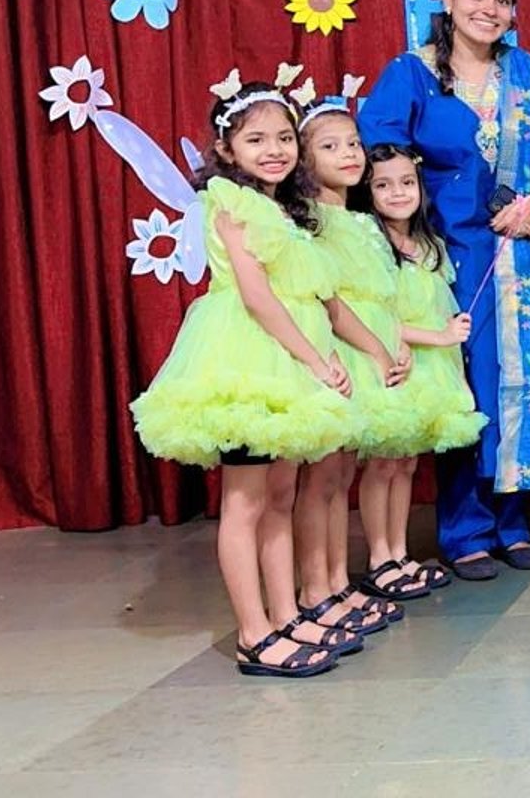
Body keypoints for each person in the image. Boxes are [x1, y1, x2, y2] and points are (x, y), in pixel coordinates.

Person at [358, 0, 530, 581]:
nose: (490, 10)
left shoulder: (527, 73)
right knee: (467, 383)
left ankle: (512, 523)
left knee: (522, 383)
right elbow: (377, 160)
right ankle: (464, 530)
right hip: (448, 257)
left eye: (502, 0)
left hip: (523, 255)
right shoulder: (412, 74)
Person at [129, 79, 358, 677]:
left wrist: (323, 353)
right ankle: (253, 634)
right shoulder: (229, 200)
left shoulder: (285, 210)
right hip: (246, 358)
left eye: (284, 138)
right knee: (246, 502)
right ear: (226, 149)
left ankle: (286, 615)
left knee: (280, 495)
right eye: (256, 139)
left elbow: (305, 292)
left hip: (288, 355)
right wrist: (314, 361)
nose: (274, 150)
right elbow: (257, 296)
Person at [295, 101, 418, 640]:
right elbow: (332, 303)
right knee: (322, 478)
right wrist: (375, 350)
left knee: (343, 477)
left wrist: (399, 343)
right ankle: (315, 589)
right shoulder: (311, 222)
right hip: (345, 354)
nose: (348, 154)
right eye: (330, 146)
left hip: (376, 351)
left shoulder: (364, 222)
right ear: (304, 158)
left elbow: (385, 296)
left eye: (352, 144)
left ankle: (340, 582)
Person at [355, 142, 484, 590]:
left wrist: (451, 328)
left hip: (430, 370)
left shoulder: (429, 245)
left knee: (407, 464)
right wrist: (439, 337)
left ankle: (399, 552)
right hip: (396, 364)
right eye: (384, 185)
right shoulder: (371, 244)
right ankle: (379, 557)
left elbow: (436, 305)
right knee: (383, 464)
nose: (398, 193)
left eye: (407, 182)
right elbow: (373, 315)